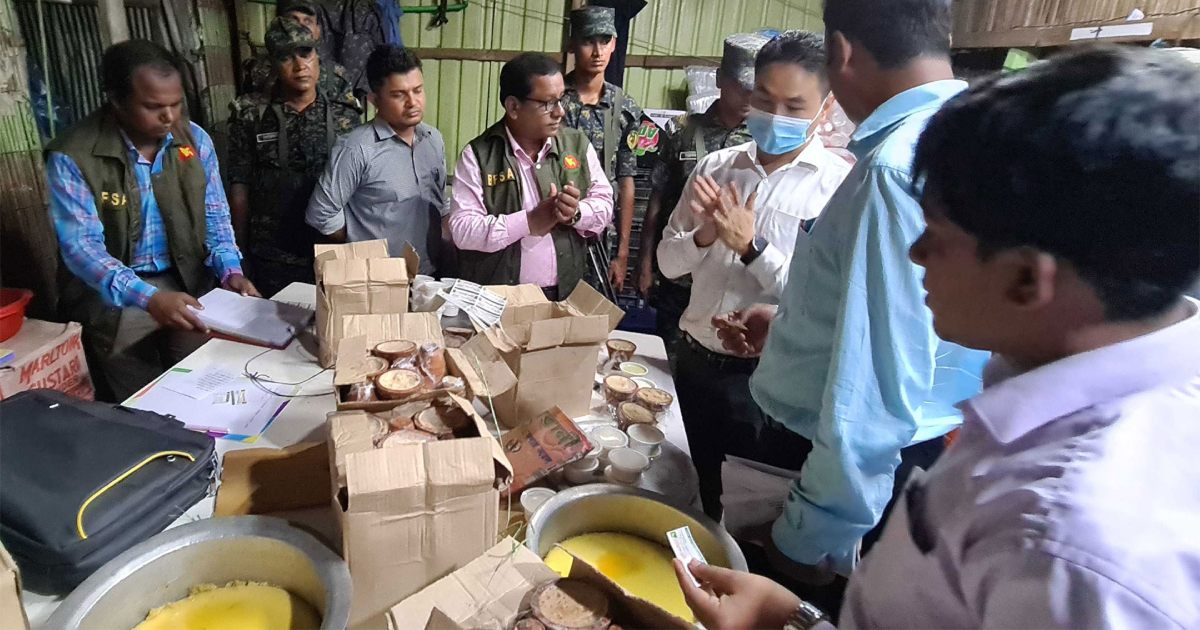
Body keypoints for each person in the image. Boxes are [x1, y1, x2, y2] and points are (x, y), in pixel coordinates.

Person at [675, 45, 1200, 630]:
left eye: (939, 235)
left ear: (1027, 277)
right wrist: (798, 618)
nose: (917, 254)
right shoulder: (1046, 405)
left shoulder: (1072, 545)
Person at [714, 0, 990, 584]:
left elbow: (878, 385)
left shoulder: (890, 171)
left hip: (850, 472)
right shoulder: (969, 137)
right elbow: (904, 321)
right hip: (919, 451)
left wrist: (808, 535)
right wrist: (791, 325)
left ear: (840, 54)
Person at [657, 31, 850, 520]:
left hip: (768, 386)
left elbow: (824, 303)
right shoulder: (716, 168)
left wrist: (750, 247)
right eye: (765, 100)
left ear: (826, 108)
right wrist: (703, 236)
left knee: (750, 512)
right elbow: (666, 264)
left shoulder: (836, 191)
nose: (776, 116)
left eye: (794, 105)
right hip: (696, 363)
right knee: (686, 493)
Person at [46, 40, 257, 403]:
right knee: (142, 403)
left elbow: (215, 216)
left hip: (185, 279)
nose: (169, 117)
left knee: (202, 386)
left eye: (176, 104)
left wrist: (230, 270)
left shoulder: (194, 141)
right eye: (153, 106)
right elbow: (81, 248)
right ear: (116, 100)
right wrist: (148, 297)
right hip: (111, 297)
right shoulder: (73, 155)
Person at [637, 32, 764, 368]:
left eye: (757, 86)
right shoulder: (682, 129)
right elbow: (657, 199)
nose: (749, 95)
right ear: (722, 79)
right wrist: (645, 264)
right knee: (664, 362)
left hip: (728, 276)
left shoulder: (764, 140)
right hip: (678, 270)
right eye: (742, 85)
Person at [448, 52, 613, 300]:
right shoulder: (479, 155)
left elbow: (605, 203)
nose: (560, 112)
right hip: (499, 300)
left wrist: (576, 213)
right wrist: (528, 222)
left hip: (565, 294)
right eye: (547, 103)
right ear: (514, 107)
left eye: (561, 99)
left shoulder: (576, 144)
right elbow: (462, 230)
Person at [227, 18, 359, 298]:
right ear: (273, 64)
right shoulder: (250, 114)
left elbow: (360, 184)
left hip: (330, 250)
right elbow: (240, 186)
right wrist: (239, 253)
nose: (300, 66)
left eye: (305, 53)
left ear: (317, 57)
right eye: (287, 57)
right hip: (272, 255)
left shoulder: (344, 115)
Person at [307, 45, 447, 275]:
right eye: (399, 95)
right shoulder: (357, 148)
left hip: (428, 276)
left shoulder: (433, 140)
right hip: (376, 280)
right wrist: (358, 239)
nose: (413, 102)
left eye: (418, 90)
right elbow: (320, 212)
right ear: (374, 100)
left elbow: (441, 202)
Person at [562, 5, 653, 295]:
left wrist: (622, 252)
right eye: (588, 41)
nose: (598, 51)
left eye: (605, 40)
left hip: (603, 238)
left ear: (615, 43)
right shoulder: (551, 100)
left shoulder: (624, 108)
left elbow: (626, 181)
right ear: (573, 44)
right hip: (558, 230)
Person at [242, 0, 359, 117]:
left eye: (307, 21)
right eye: (292, 20)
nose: (300, 26)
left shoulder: (336, 75)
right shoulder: (257, 72)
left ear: (318, 30)